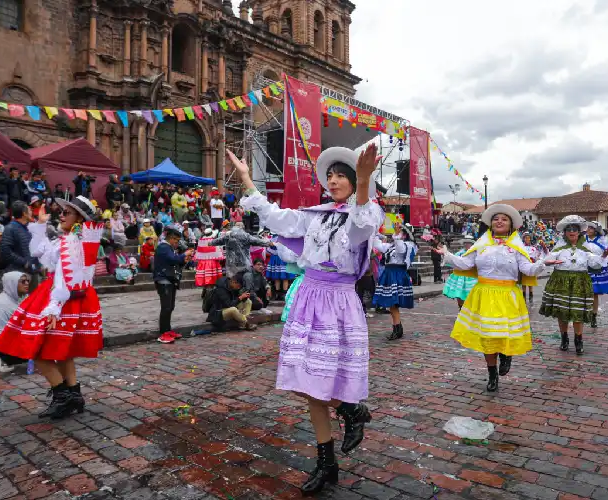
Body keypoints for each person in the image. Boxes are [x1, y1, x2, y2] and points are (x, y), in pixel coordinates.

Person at [231, 143, 382, 495]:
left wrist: (363, 182)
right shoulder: (313, 215)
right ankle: (348, 414)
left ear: (356, 180)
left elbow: (360, 226)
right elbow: (274, 216)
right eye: (330, 175)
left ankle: (327, 459)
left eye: (341, 175)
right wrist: (246, 180)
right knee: (303, 382)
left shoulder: (366, 214)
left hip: (339, 301)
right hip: (309, 297)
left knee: (319, 382)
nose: (333, 180)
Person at [0, 196, 103, 419]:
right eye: (61, 212)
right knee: (63, 351)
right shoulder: (71, 240)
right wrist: (41, 226)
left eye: (67, 213)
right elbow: (40, 254)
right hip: (62, 297)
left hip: (60, 298)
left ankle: (62, 396)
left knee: (38, 350)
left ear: (79, 219)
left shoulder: (72, 243)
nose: (61, 215)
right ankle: (73, 395)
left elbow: (65, 279)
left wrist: (54, 307)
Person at [434, 204, 545, 393]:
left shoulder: (517, 247)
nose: (499, 221)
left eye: (504, 219)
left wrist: (543, 263)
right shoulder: (481, 244)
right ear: (491, 224)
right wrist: (446, 254)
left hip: (508, 295)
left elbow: (528, 269)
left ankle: (506, 355)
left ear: (510, 224)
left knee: (502, 333)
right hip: (483, 294)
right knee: (487, 336)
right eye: (496, 219)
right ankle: (492, 374)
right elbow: (465, 263)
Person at [539, 216, 608, 355]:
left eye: (575, 229)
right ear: (565, 232)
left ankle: (579, 340)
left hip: (580, 281)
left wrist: (603, 256)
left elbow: (594, 263)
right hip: (561, 281)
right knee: (562, 312)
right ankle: (564, 338)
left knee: (578, 312)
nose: (572, 232)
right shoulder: (559, 246)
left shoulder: (586, 247)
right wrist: (546, 254)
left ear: (579, 232)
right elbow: (548, 260)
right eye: (569, 229)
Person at [372, 223, 417, 340]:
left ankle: (397, 328)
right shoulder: (393, 245)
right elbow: (378, 245)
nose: (398, 232)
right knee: (391, 304)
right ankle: (398, 327)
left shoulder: (409, 245)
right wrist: (374, 233)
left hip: (396, 274)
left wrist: (396, 236)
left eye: (401, 231)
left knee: (393, 303)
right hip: (389, 273)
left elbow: (400, 249)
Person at [154, 224, 194, 344]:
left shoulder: (169, 248)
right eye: (175, 240)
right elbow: (172, 259)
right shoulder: (163, 247)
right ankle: (163, 333)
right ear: (170, 238)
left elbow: (174, 263)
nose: (176, 242)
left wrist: (183, 260)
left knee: (170, 307)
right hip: (163, 280)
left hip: (170, 279)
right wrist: (184, 255)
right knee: (166, 307)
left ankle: (168, 330)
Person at [0, 272, 29, 373]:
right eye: (23, 281)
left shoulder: (21, 298)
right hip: (5, 343)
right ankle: (3, 358)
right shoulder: (1, 305)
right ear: (12, 284)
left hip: (19, 336)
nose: (27, 283)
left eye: (27, 281)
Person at [585, 221, 608, 327]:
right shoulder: (582, 240)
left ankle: (593, 316)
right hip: (584, 268)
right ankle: (585, 313)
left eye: (591, 228)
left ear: (596, 231)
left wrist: (604, 255)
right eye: (588, 227)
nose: (588, 230)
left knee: (594, 293)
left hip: (597, 269)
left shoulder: (601, 240)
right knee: (584, 293)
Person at [0, 201, 36, 274]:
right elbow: (5, 252)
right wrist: (24, 263)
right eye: (29, 210)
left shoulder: (29, 227)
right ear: (24, 214)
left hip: (32, 271)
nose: (31, 212)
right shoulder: (10, 228)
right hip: (17, 272)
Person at [442, 236, 477, 309]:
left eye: (468, 243)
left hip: (471, 279)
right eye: (465, 243)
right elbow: (453, 262)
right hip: (459, 278)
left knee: (470, 296)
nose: (466, 244)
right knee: (459, 295)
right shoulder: (459, 253)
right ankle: (461, 309)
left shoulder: (475, 253)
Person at [520, 233, 545, 303]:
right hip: (524, 266)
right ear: (524, 239)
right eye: (526, 238)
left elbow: (537, 256)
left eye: (528, 238)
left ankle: (531, 297)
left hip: (531, 266)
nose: (527, 239)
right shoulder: (521, 247)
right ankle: (524, 297)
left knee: (530, 284)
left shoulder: (533, 248)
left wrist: (536, 259)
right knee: (524, 284)